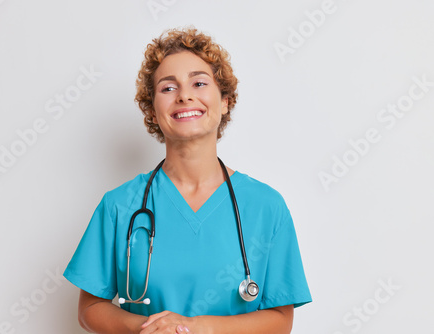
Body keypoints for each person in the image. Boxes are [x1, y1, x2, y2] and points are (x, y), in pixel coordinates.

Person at [64, 27, 312, 334]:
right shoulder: (119, 206)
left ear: (225, 102)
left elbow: (280, 320)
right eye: (168, 88)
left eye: (199, 82)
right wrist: (154, 329)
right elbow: (90, 308)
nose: (184, 95)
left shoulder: (266, 207)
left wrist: (197, 327)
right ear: (152, 111)